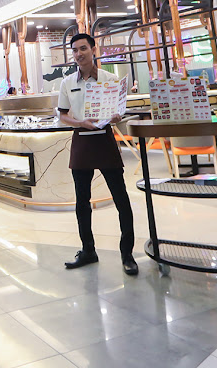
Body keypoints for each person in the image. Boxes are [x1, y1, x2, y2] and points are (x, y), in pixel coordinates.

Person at [57, 32, 138, 276]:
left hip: (104, 139)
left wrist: (117, 116)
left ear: (94, 50)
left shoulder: (110, 79)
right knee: (82, 201)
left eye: (83, 48)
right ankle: (88, 251)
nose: (78, 54)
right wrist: (80, 122)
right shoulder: (67, 83)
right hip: (81, 140)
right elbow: (62, 115)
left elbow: (118, 110)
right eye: (74, 50)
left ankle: (127, 254)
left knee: (121, 198)